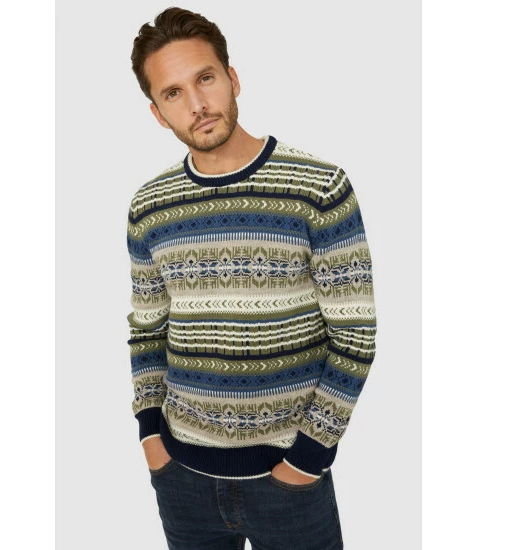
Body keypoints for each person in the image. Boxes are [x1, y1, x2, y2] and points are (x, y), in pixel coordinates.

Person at [127, 7, 377, 549]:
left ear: (233, 78)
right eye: (173, 93)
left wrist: (307, 460)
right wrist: (152, 438)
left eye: (205, 78)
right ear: (157, 113)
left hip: (290, 483)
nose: (197, 104)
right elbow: (147, 332)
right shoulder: (149, 206)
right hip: (182, 478)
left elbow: (355, 336)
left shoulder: (319, 188)